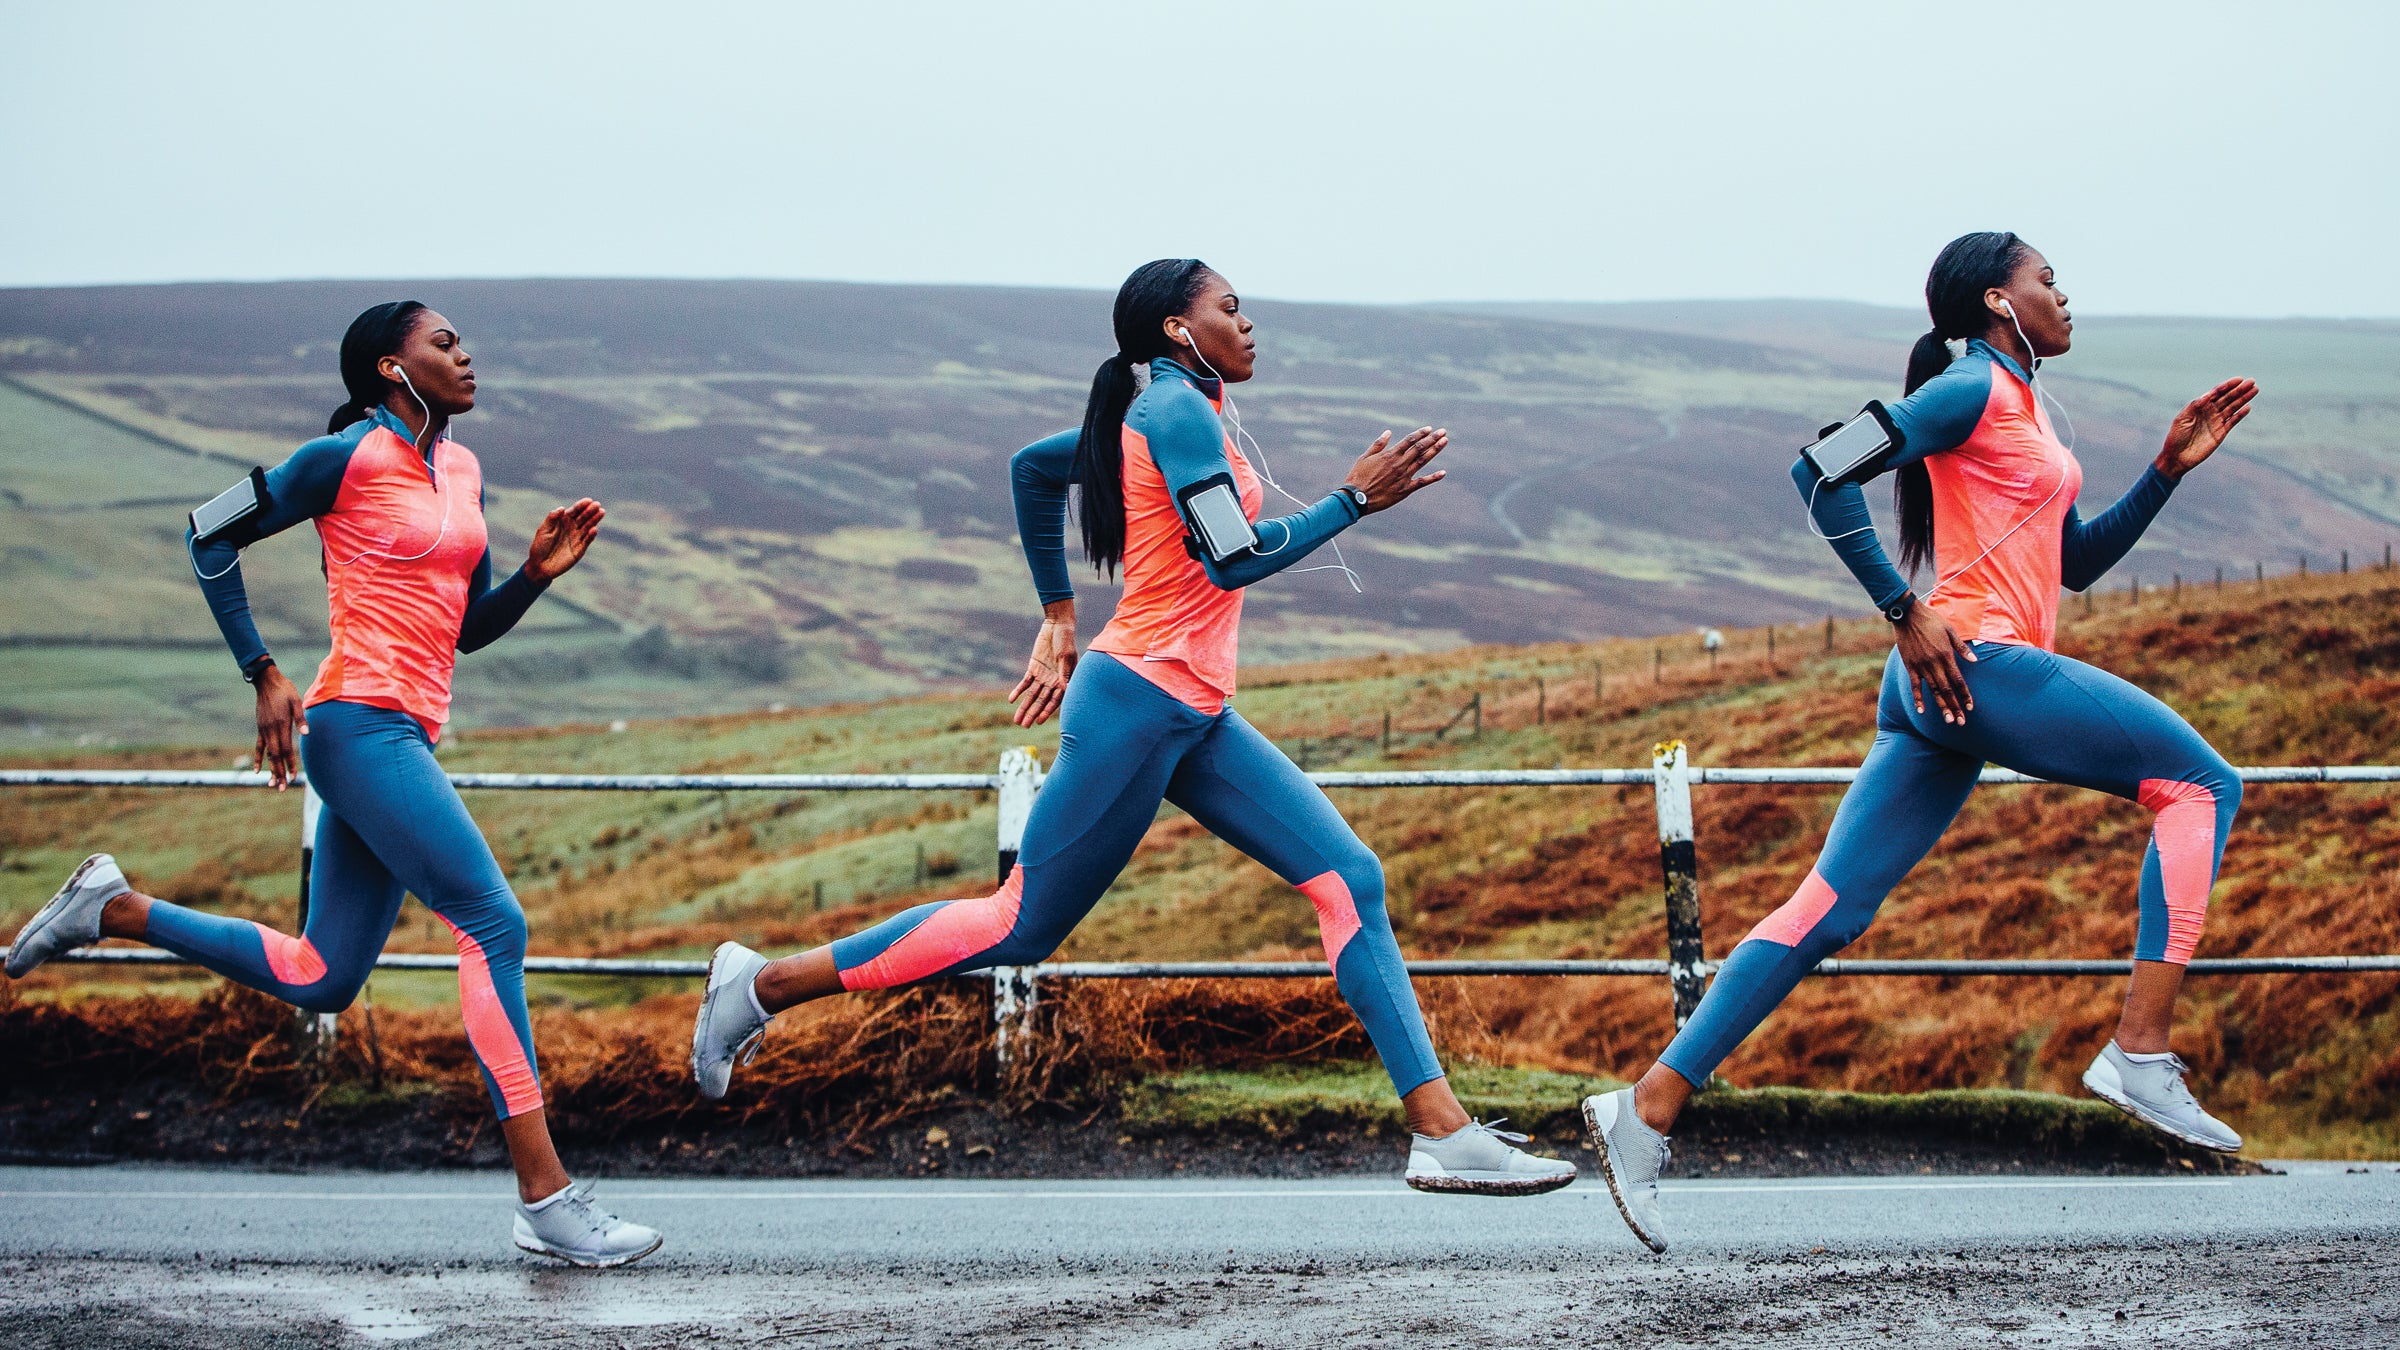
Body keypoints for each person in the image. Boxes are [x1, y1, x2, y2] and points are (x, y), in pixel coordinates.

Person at [692, 259, 1577, 1195]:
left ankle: (1439, 1130)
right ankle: (760, 986)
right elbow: (1232, 561)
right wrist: (1351, 502)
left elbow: (1032, 472)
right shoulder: (1173, 413)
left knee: (1351, 879)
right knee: (1017, 928)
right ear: (1175, 329)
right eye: (1230, 310)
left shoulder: (1162, 411)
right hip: (1138, 703)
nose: (1249, 324)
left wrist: (1060, 614)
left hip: (1191, 709)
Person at [1582, 232, 2261, 1252]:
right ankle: (2140, 1050)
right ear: (1999, 298)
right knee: (2200, 784)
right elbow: (1820, 470)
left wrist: (2165, 470)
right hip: (1970, 665)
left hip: (1944, 689)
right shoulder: (1968, 388)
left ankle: (1646, 1108)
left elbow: (2070, 564)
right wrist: (1902, 608)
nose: (2065, 298)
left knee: (1827, 907)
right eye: (2048, 282)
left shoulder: (2024, 406)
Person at [5, 302, 662, 1267]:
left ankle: (116, 908)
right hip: (357, 725)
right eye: (443, 343)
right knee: (494, 924)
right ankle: (546, 1196)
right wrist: (262, 672)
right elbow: (206, 533)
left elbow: (464, 630)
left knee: (325, 977)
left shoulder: (465, 470)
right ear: (391, 370)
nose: (466, 353)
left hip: (407, 731)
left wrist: (532, 576)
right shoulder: (343, 460)